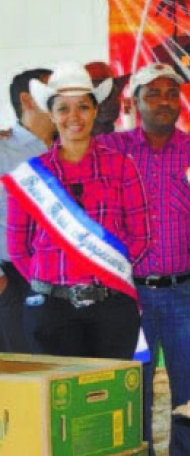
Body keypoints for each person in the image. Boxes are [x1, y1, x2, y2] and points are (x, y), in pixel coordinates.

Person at [100, 62, 190, 456]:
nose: (164, 101)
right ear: (135, 102)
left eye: (171, 93)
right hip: (130, 296)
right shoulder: (111, 149)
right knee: (136, 387)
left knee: (189, 387)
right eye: (153, 93)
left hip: (187, 292)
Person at [5, 62, 149, 358]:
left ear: (95, 110)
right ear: (51, 114)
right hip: (51, 310)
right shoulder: (32, 175)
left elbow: (141, 236)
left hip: (111, 307)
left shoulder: (121, 166)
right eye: (63, 108)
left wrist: (107, 270)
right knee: (60, 389)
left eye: (83, 106)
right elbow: (18, 246)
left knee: (109, 387)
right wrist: (47, 280)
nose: (74, 117)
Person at [0, 68, 53, 353]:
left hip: (63, 278)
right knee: (25, 369)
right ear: (27, 99)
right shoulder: (3, 151)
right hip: (14, 282)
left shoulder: (70, 147)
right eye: (50, 90)